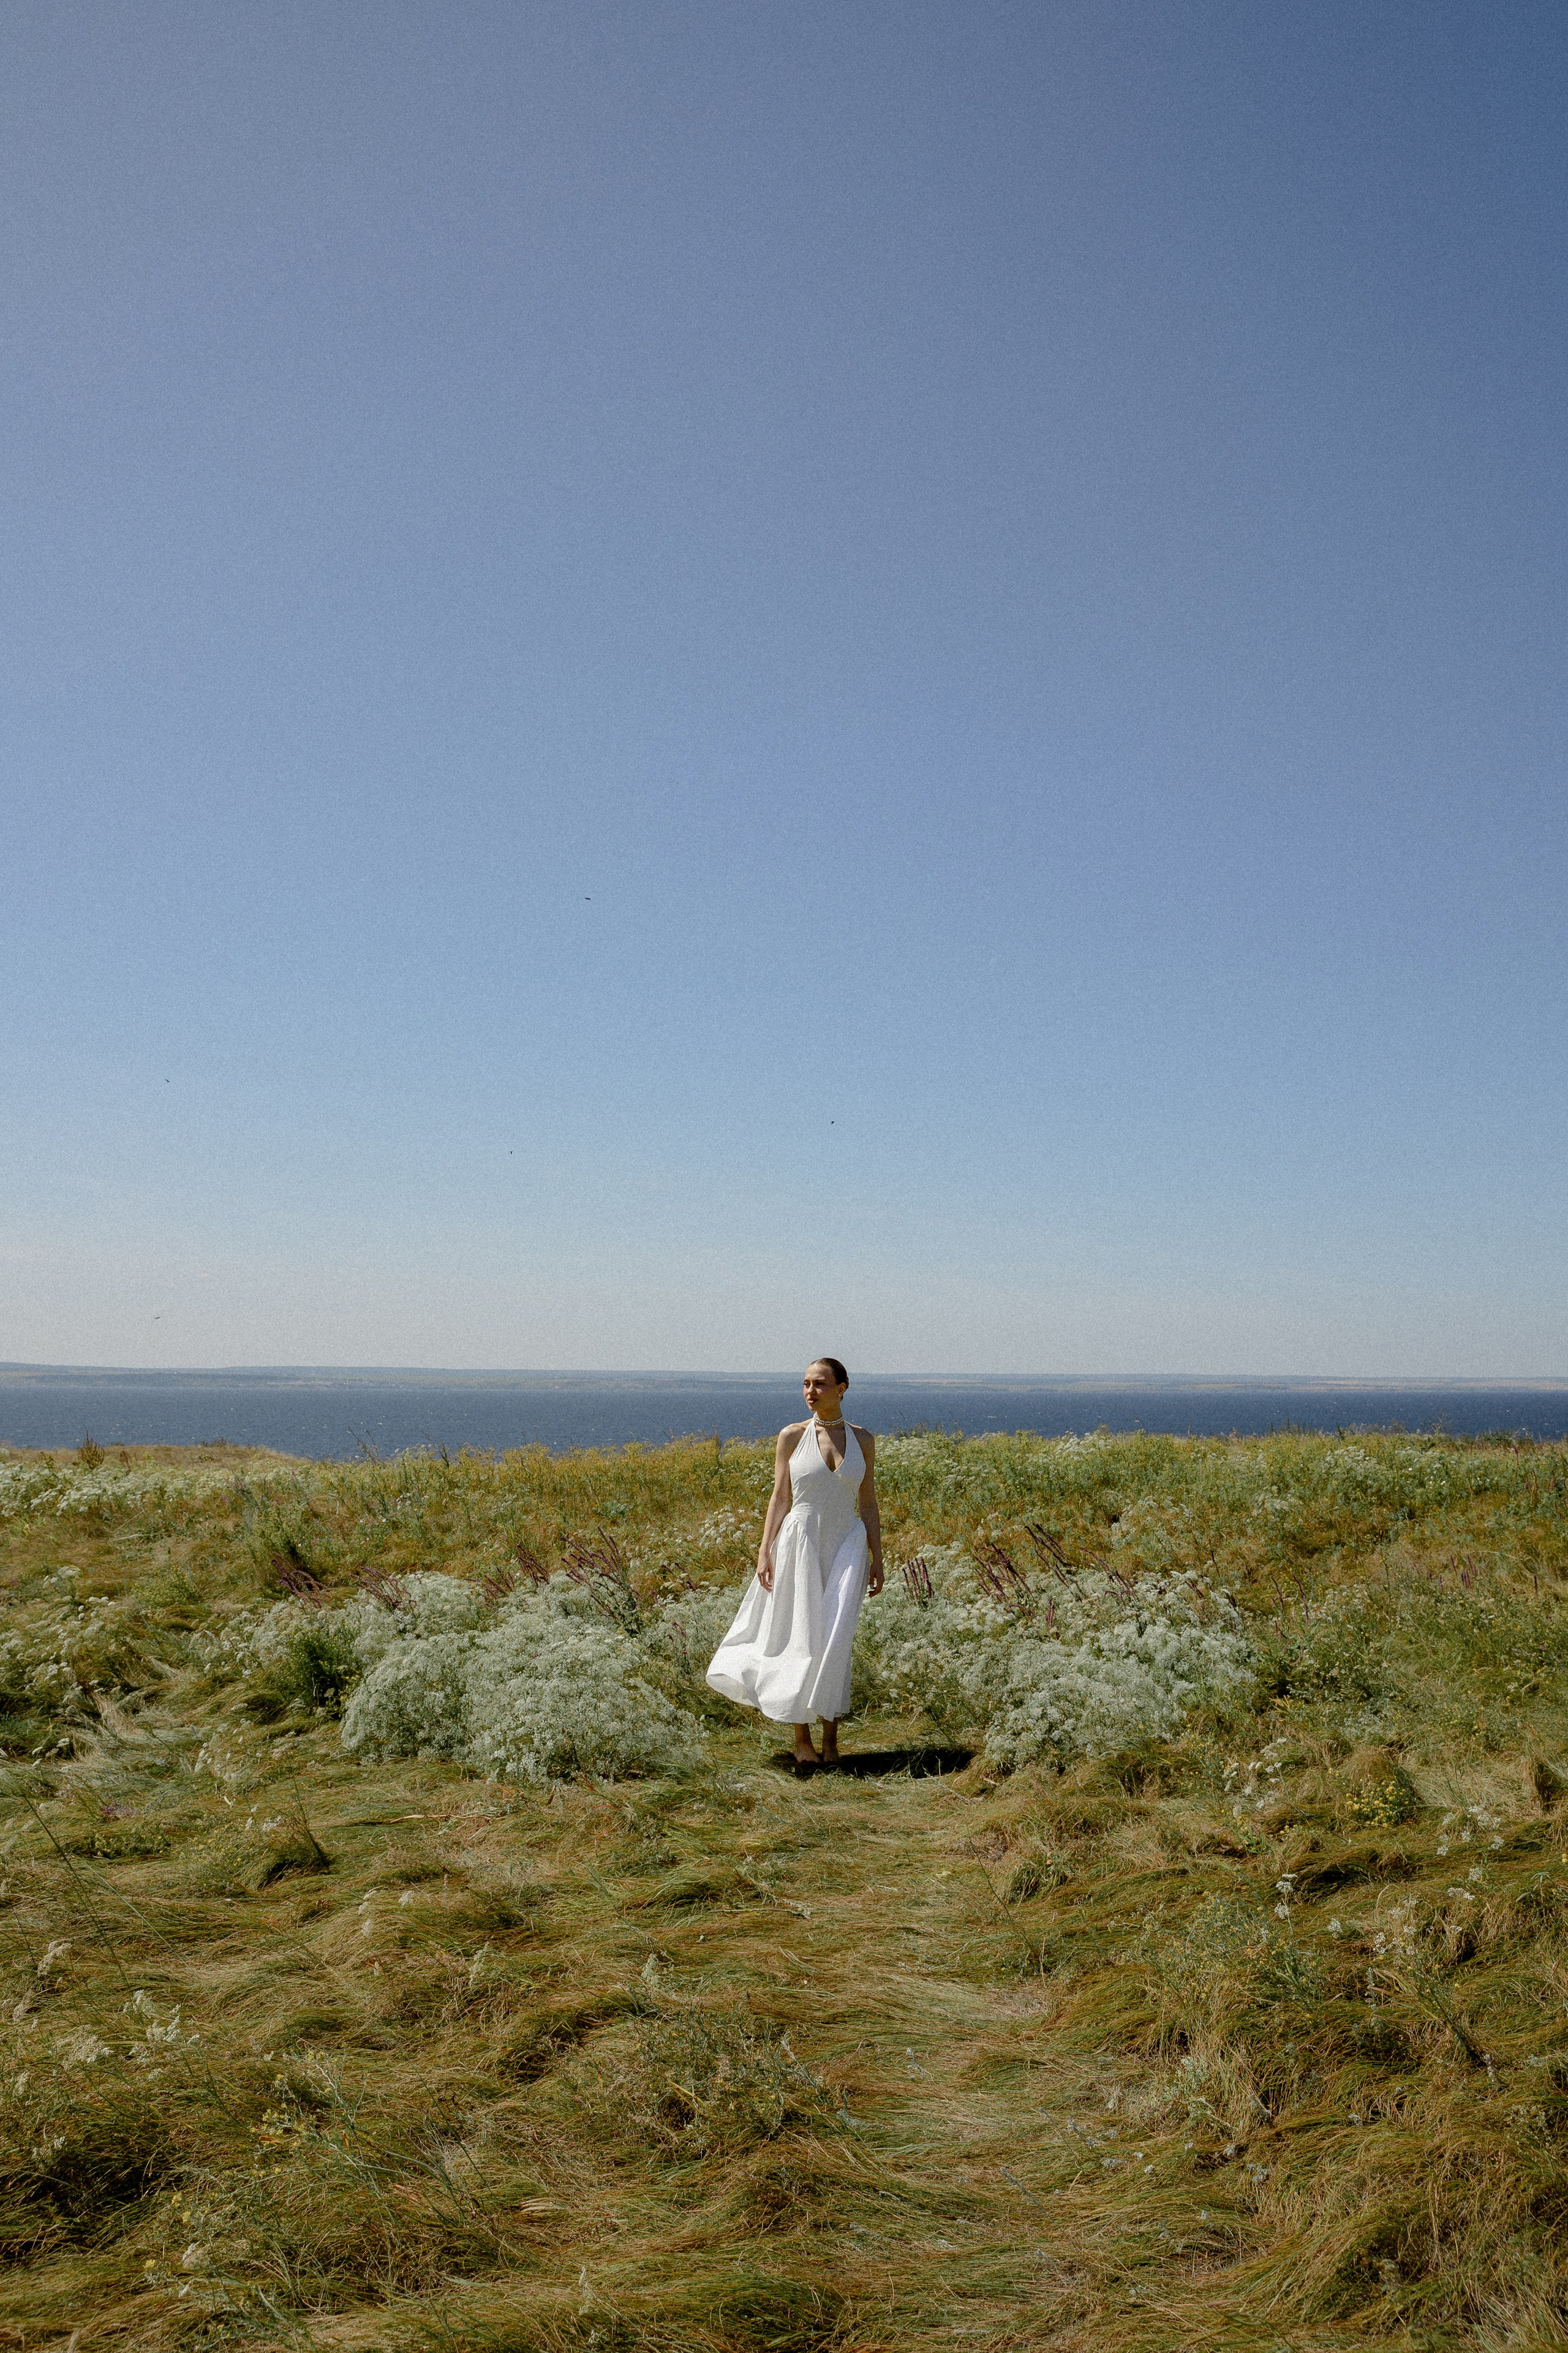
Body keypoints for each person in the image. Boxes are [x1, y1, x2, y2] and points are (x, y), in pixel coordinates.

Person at [706, 1358, 884, 1772]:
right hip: (800, 1544)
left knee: (836, 1638)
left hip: (847, 1547)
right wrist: (764, 1549)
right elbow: (780, 1498)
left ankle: (832, 1739)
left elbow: (869, 1502)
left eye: (820, 1384)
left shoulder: (864, 1440)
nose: (810, 1391)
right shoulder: (791, 1436)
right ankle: (802, 1737)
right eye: (805, 1384)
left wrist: (878, 1557)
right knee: (801, 1637)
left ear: (842, 1388)